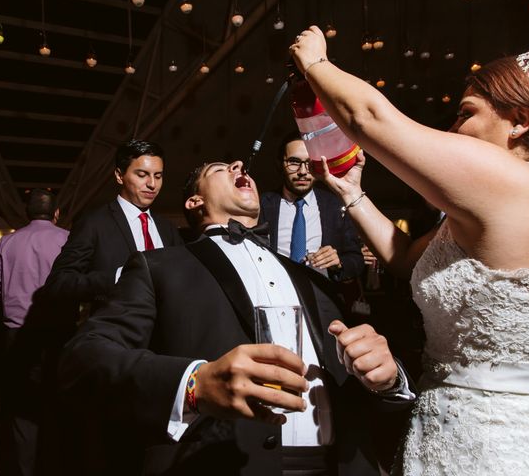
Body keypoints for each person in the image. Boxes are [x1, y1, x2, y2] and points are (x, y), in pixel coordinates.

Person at [58, 160, 415, 476]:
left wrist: (388, 378)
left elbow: (358, 378)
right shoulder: (159, 268)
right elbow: (83, 359)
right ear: (194, 202)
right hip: (223, 463)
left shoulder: (310, 278)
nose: (239, 166)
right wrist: (195, 385)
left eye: (240, 166)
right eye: (220, 168)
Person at [290, 26, 529, 474]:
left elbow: (369, 119)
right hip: (440, 425)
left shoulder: (518, 185)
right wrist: (352, 193)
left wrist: (315, 63)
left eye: (466, 113)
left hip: (497, 441)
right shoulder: (480, 210)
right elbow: (406, 260)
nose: (453, 128)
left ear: (520, 121)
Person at [0, 190, 69, 476]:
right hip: (60, 337)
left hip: (17, 339)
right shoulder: (68, 239)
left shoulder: (8, 243)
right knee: (60, 407)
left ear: (27, 214)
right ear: (56, 213)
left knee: (24, 414)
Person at [43, 139, 183, 315]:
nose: (152, 184)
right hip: (117, 336)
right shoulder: (94, 223)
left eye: (158, 176)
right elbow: (59, 283)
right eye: (142, 175)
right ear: (119, 175)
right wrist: (117, 278)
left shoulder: (167, 228)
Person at [259, 133, 364, 283]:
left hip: (321, 297)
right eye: (294, 162)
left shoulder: (335, 205)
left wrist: (338, 262)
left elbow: (356, 260)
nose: (302, 171)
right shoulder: (262, 204)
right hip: (276, 294)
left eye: (310, 164)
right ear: (280, 164)